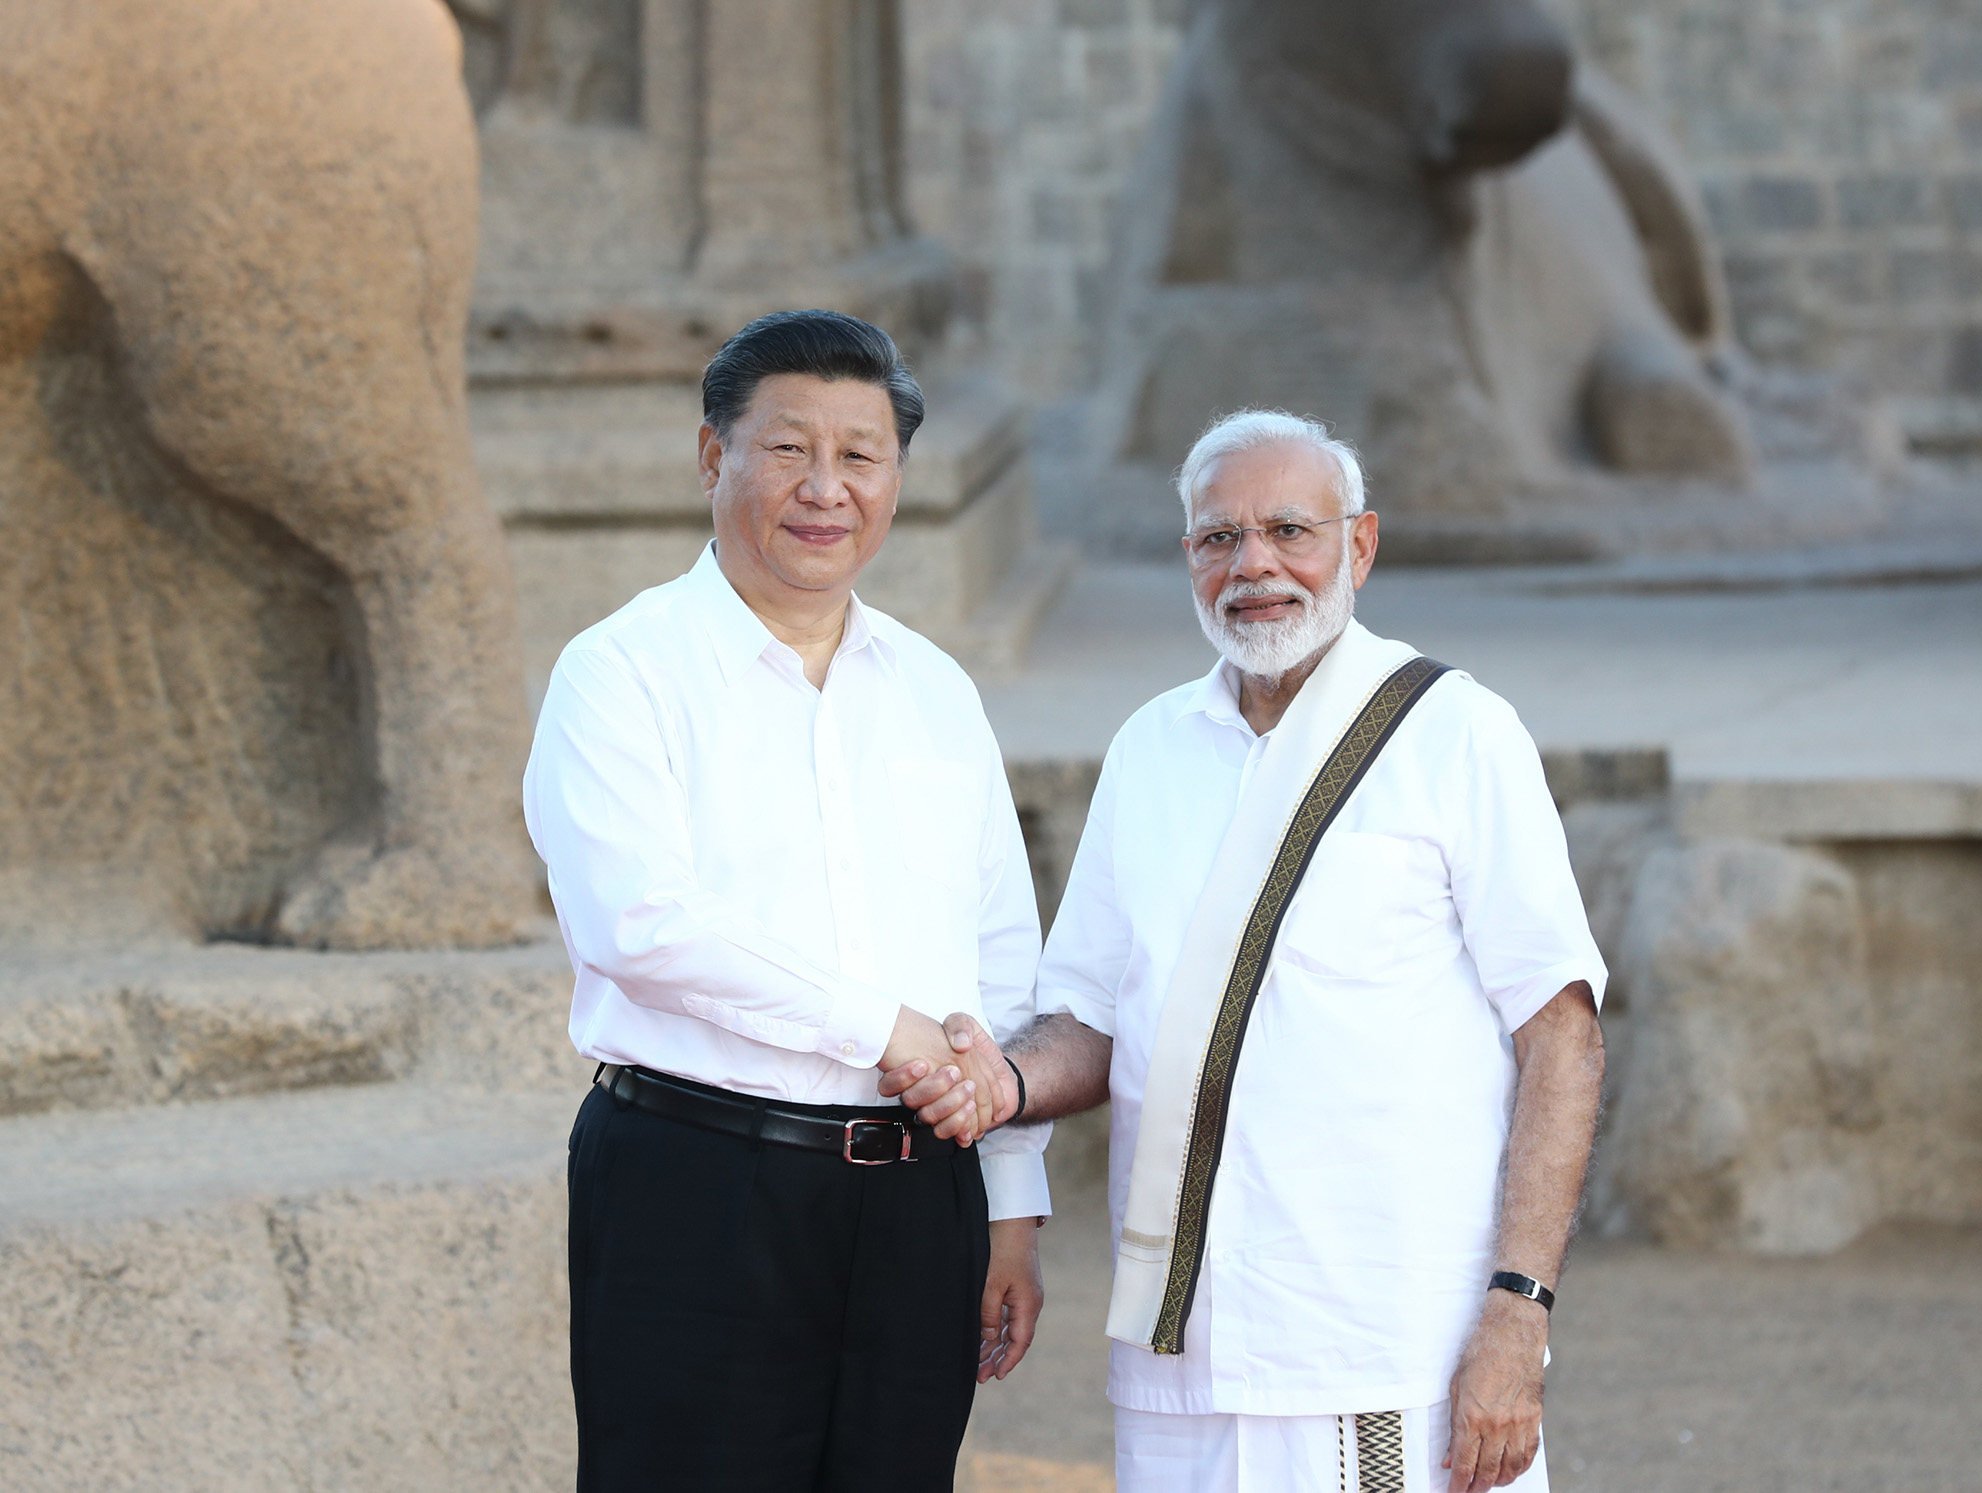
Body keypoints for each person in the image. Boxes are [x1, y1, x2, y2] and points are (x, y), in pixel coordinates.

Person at [885, 409, 1607, 1493]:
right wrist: (996, 1082)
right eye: (1218, 537)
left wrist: (1518, 1311)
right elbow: (1088, 1015)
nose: (1253, 564)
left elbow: (1562, 1037)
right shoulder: (1148, 747)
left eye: (1286, 529)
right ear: (1188, 559)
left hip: (1387, 1335)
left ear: (1358, 546)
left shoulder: (1455, 733)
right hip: (1186, 1348)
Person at [524, 309, 1050, 1492]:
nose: (826, 488)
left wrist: (1009, 1202)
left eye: (860, 455)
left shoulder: (933, 688)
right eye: (787, 449)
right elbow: (638, 923)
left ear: (897, 474)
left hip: (923, 1199)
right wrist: (884, 1028)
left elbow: (1001, 959)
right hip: (699, 1180)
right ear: (714, 458)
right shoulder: (620, 670)